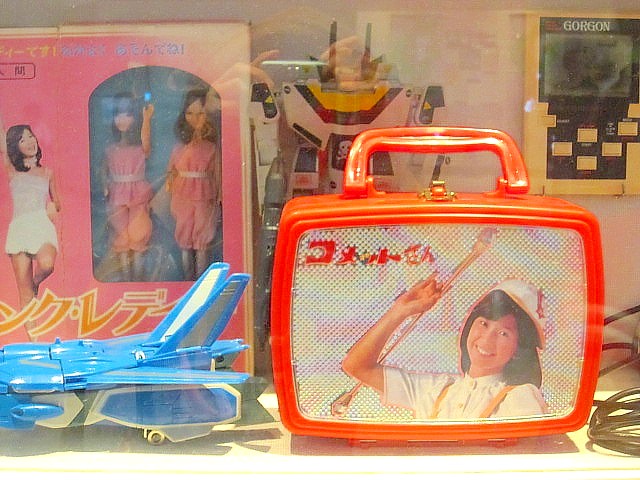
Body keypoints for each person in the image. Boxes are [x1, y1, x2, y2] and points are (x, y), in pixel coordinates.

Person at [341, 276, 549, 419]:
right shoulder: (436, 388)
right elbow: (357, 366)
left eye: (504, 333)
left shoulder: (521, 396)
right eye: (483, 323)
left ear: (518, 350)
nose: (487, 339)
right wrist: (399, 312)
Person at [0, 119, 61, 330]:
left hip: (42, 225)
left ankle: (34, 284)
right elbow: (2, 139)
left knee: (47, 265)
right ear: (14, 146)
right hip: (19, 228)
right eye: (22, 140)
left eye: (30, 136)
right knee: (24, 294)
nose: (29, 141)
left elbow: (57, 202)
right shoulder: (11, 170)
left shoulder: (47, 172)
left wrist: (53, 206)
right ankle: (33, 339)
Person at [165, 88, 221, 280]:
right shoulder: (178, 147)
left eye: (200, 113)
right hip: (181, 192)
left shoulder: (211, 148)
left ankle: (201, 280)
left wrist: (219, 195)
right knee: (184, 236)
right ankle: (188, 280)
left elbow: (217, 173)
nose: (195, 118)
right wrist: (169, 187)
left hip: (204, 192)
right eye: (190, 113)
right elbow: (170, 172)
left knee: (202, 237)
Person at [103, 93, 154, 281]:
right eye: (118, 114)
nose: (122, 119)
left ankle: (138, 279)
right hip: (117, 192)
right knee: (121, 236)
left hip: (137, 191)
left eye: (128, 114)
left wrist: (146, 119)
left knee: (138, 233)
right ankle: (125, 280)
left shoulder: (140, 146)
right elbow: (104, 169)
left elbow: (146, 144)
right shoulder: (110, 148)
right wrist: (105, 185)